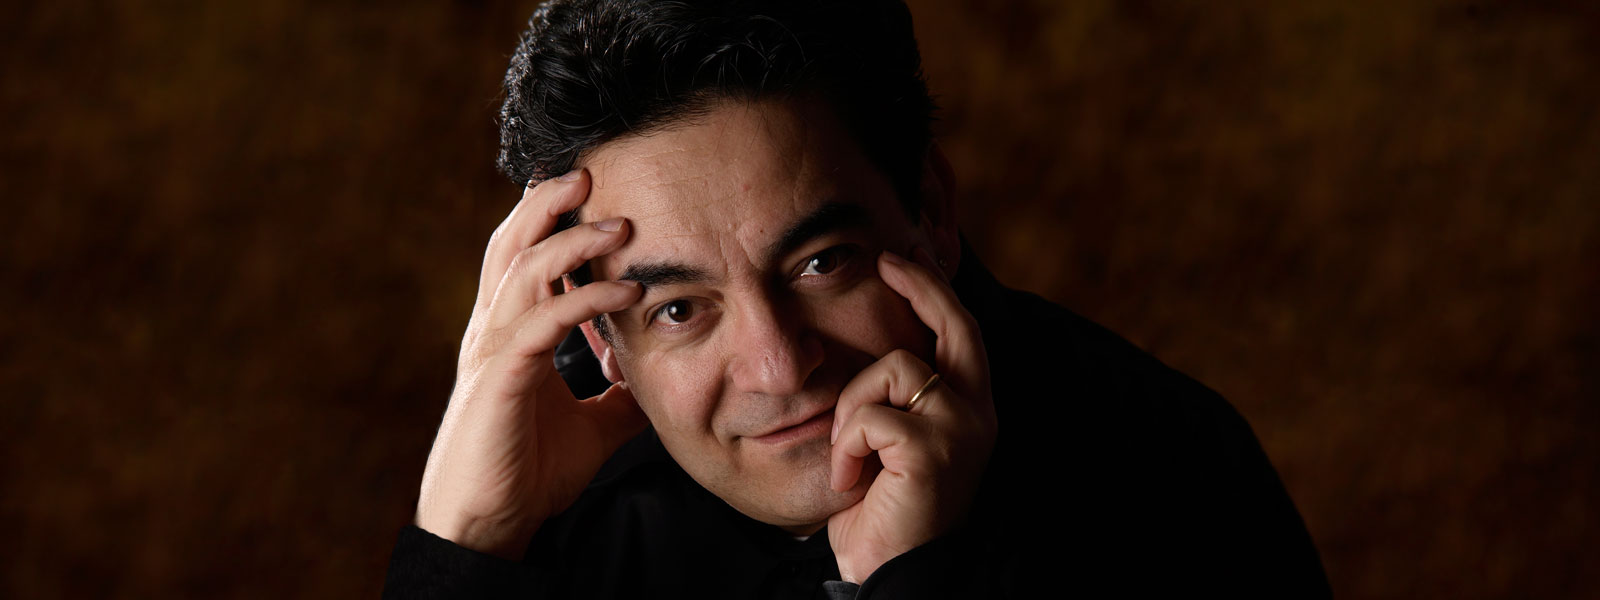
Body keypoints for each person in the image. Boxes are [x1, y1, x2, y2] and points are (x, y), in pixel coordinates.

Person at [385, 0, 1331, 597]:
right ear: (600, 338)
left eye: (821, 263)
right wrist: (463, 548)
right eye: (679, 310)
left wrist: (914, 584)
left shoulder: (1169, 476)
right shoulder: (544, 511)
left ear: (930, 210)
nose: (778, 367)